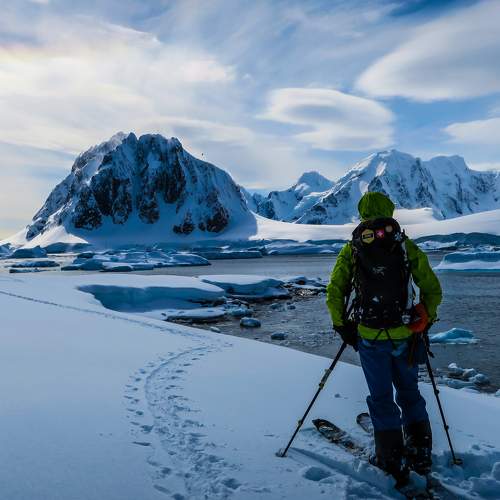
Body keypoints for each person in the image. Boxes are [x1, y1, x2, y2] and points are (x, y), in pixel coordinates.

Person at [326, 192, 442, 486]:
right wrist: (426, 318)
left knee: (381, 398)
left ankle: (390, 458)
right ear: (390, 210)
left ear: (362, 212)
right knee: (410, 393)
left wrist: (342, 326)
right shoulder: (404, 245)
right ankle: (420, 453)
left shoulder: (353, 248)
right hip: (405, 335)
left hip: (370, 336)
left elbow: (335, 291)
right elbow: (432, 287)